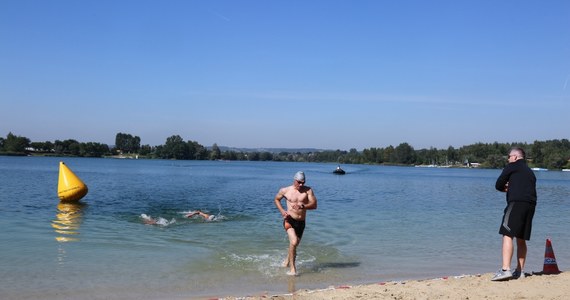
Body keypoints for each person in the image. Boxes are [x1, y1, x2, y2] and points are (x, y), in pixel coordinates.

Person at [491, 147, 537, 281]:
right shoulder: (530, 172)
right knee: (521, 238)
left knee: (507, 233)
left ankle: (505, 269)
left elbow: (498, 184)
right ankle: (520, 271)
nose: (508, 159)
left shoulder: (512, 166)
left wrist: (505, 188)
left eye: (509, 156)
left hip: (516, 203)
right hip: (531, 205)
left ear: (515, 157)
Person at [274, 171, 318, 276]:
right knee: (293, 242)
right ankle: (293, 269)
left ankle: (287, 260)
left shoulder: (308, 191)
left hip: (301, 222)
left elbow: (314, 205)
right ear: (294, 180)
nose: (301, 184)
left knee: (295, 244)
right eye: (299, 182)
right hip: (289, 220)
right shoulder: (285, 190)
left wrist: (303, 206)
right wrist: (282, 211)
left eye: (303, 182)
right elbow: (276, 199)